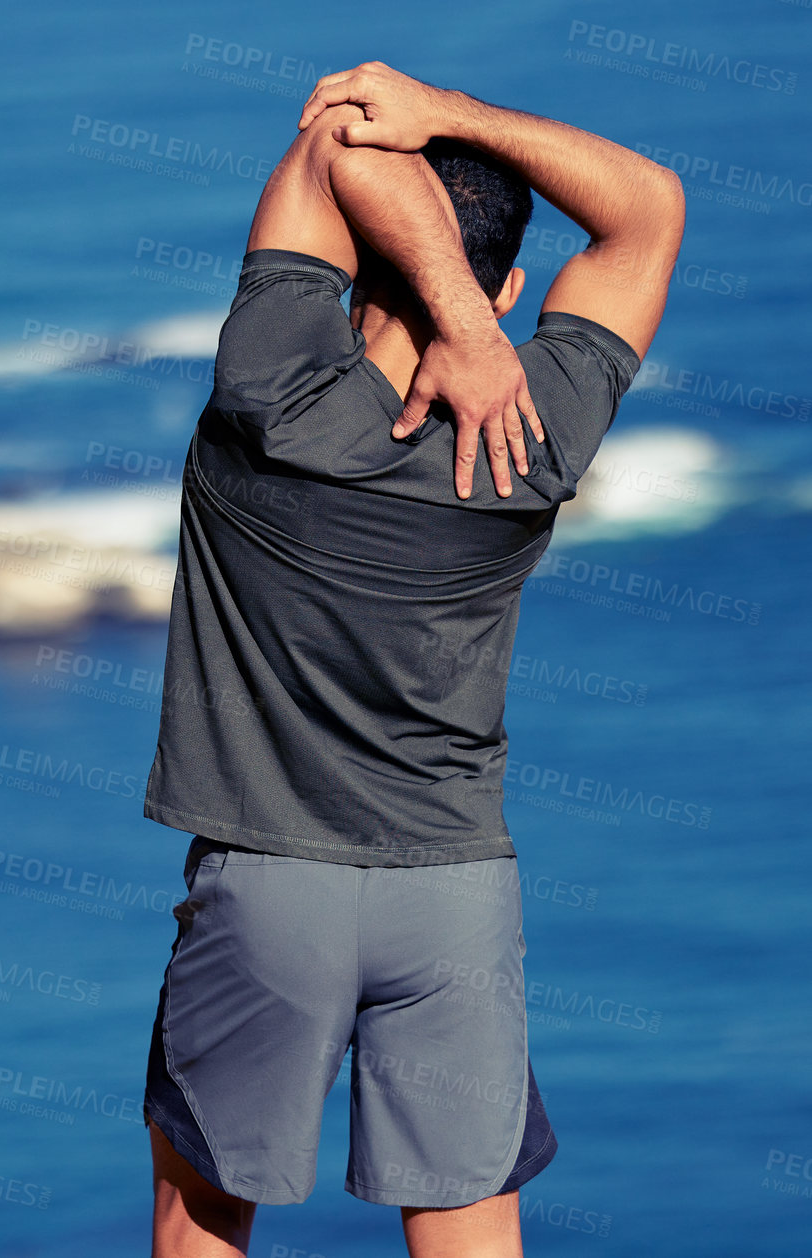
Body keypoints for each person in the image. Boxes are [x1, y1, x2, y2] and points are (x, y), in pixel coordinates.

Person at [140, 63, 685, 1258]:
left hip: (267, 880)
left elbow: (340, 137)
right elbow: (647, 205)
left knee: (202, 1219)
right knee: (472, 1227)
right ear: (515, 284)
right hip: (452, 890)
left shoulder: (267, 394)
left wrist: (441, 304)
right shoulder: (533, 434)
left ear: (351, 269)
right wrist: (476, 302)